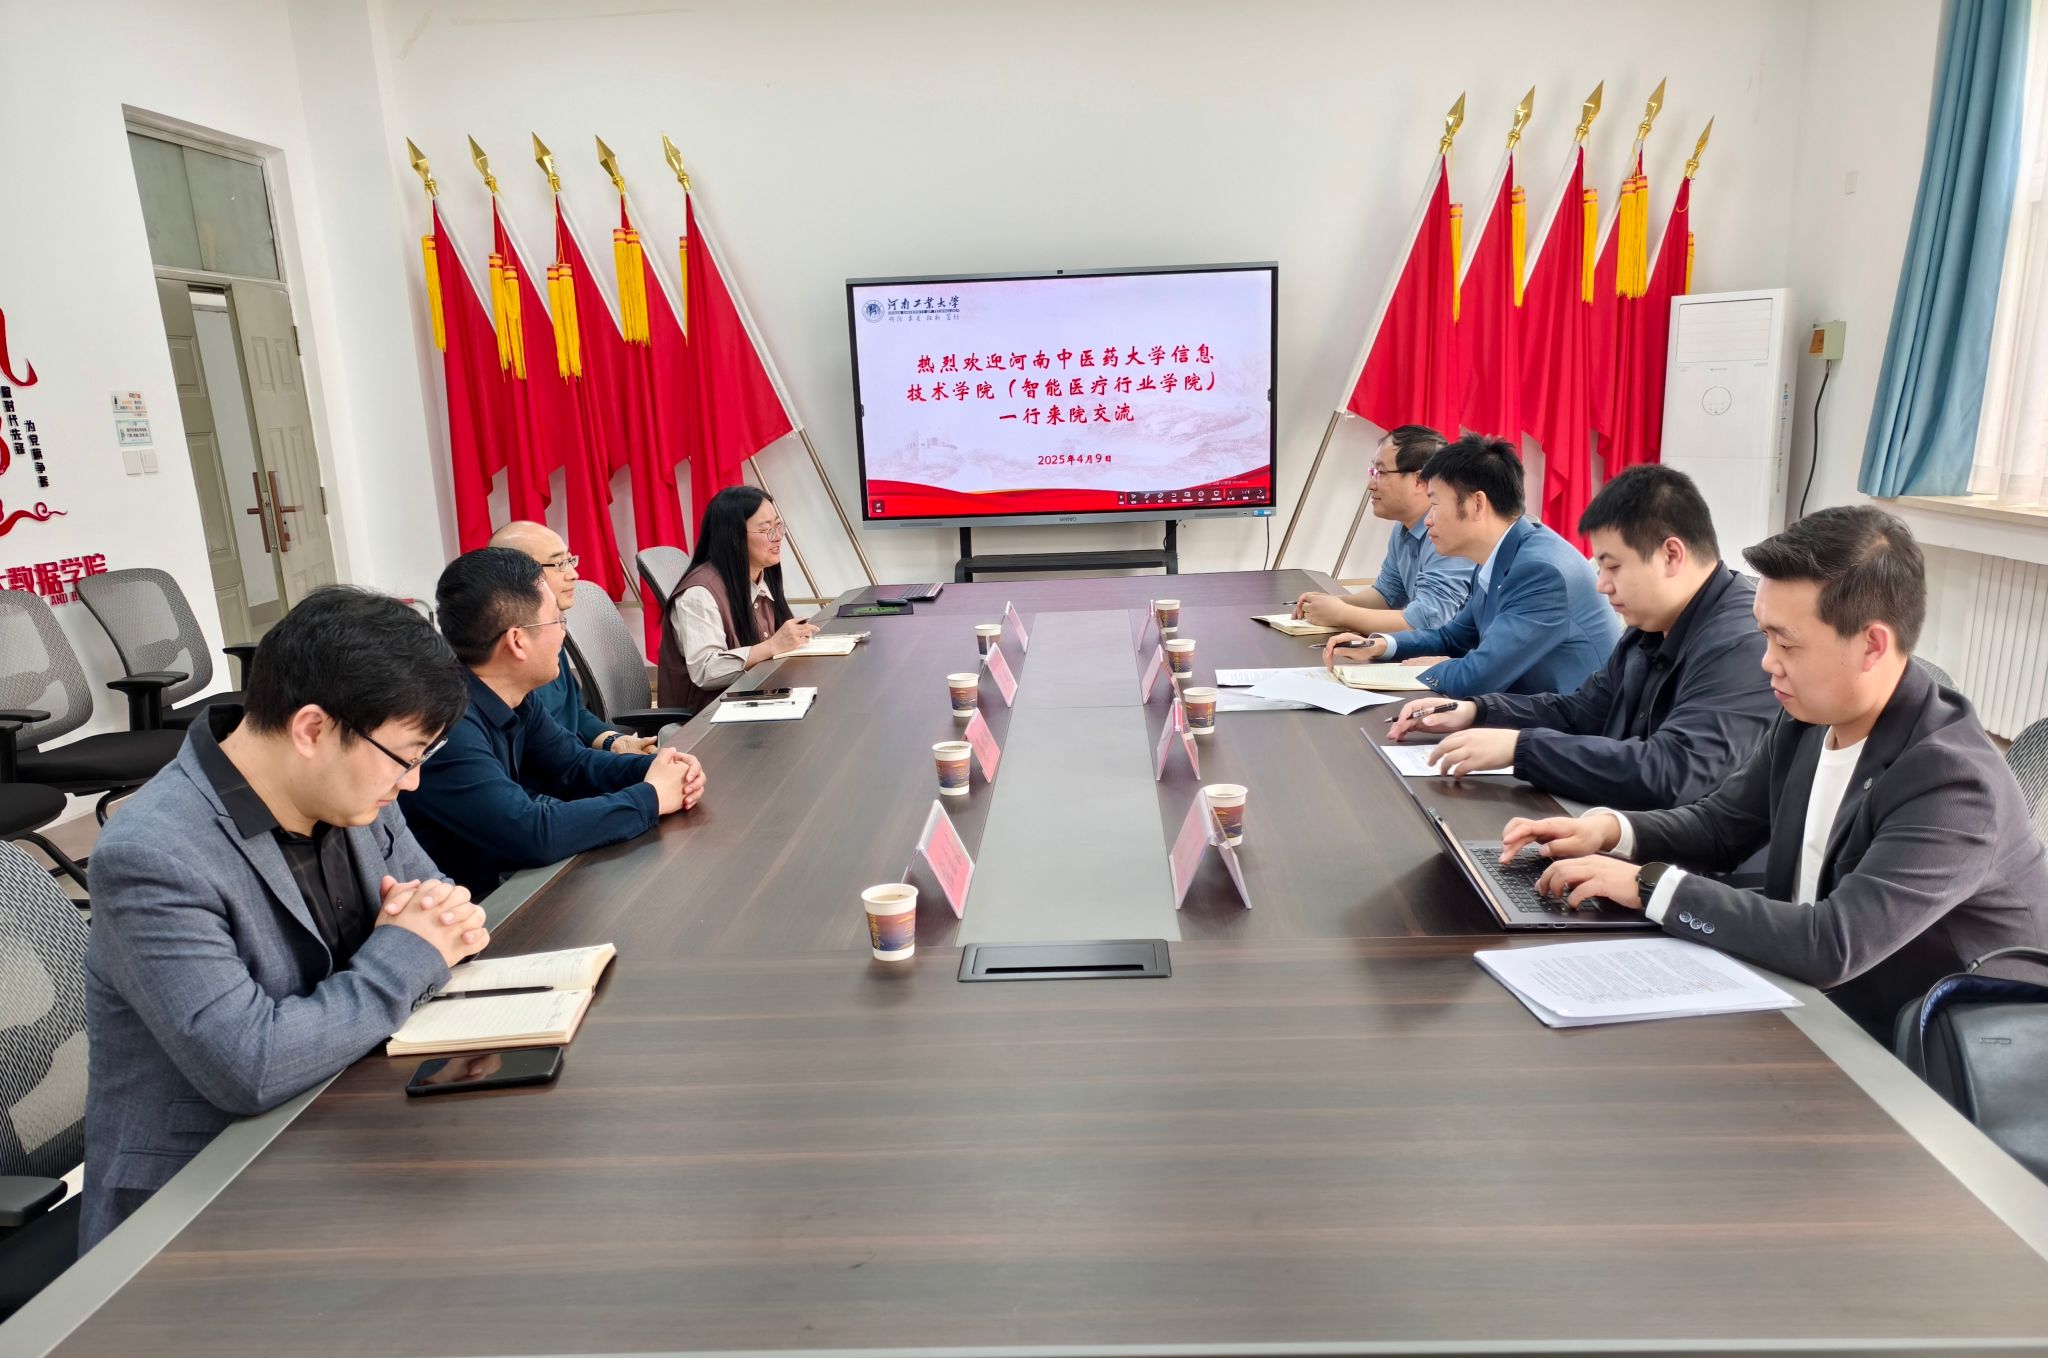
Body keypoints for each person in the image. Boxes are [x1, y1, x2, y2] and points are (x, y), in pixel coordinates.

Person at [1501, 506, 2048, 1039]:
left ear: (1871, 645)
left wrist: (1650, 885)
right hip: (1822, 1002)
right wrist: (1612, 831)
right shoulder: (1809, 717)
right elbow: (1721, 827)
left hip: (1943, 1048)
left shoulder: (1953, 781)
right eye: (1765, 635)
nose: (1768, 661)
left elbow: (1833, 944)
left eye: (1786, 643)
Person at [82, 588, 489, 1252]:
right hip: (206, 1201)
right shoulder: (152, 856)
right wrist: (406, 952)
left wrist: (425, 938)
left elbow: (443, 911)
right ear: (312, 730)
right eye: (407, 757)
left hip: (347, 1126)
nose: (411, 783)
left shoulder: (352, 789)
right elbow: (251, 1065)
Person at [1388, 465, 1776, 809]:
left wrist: (1521, 748)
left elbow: (1673, 772)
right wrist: (1477, 711)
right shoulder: (1651, 623)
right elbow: (1581, 712)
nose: (1601, 585)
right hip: (1622, 820)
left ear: (1671, 555)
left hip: (1684, 858)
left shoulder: (1740, 642)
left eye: (1613, 567)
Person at [400, 548, 705, 898]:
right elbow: (533, 834)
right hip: (480, 908)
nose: (563, 633)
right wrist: (651, 797)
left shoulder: (513, 695)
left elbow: (571, 765)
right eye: (557, 621)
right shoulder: (447, 725)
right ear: (517, 641)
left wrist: (660, 769)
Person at [1324, 434, 1619, 696]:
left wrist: (1434, 669)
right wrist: (1383, 645)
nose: (1428, 520)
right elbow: (1453, 637)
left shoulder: (1542, 571)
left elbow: (1480, 677)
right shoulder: (1499, 552)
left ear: (1477, 504)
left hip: (1562, 728)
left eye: (1434, 505)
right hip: (1518, 708)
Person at [490, 520, 656, 755]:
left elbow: (574, 711)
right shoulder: (509, 657)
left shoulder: (548, 631)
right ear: (515, 575)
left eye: (570, 560)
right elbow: (551, 759)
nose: (573, 574)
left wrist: (614, 741)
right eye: (559, 564)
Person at [1290, 424, 1474, 635]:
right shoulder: (1403, 529)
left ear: (1420, 480)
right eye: (1373, 472)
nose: (1371, 484)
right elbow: (1387, 596)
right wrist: (1331, 604)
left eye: (1381, 472)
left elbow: (1429, 621)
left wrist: (1342, 613)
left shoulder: (1449, 532)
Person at [658, 486, 818, 711]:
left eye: (778, 526)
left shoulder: (761, 576)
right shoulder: (699, 594)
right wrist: (773, 646)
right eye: (766, 530)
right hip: (707, 717)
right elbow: (706, 670)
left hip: (752, 699)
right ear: (733, 536)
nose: (777, 537)